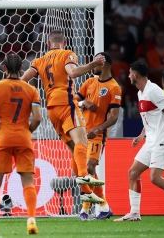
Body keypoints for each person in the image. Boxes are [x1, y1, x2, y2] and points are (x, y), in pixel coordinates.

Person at [21, 29, 106, 204]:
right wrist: (93, 64)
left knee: (76, 152)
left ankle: (98, 200)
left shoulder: (39, 61)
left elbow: (23, 81)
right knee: (82, 144)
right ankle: (84, 180)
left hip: (51, 109)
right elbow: (73, 73)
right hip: (67, 104)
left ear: (48, 43)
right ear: (64, 42)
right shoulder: (67, 54)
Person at [114, 61, 164, 222]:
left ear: (135, 74)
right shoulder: (140, 93)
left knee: (155, 177)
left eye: (130, 73)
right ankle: (135, 212)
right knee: (133, 172)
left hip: (162, 140)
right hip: (150, 140)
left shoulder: (154, 91)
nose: (129, 75)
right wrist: (141, 135)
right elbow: (150, 119)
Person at [0, 53, 42, 235]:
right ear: (22, 69)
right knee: (28, 182)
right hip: (24, 137)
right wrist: (27, 131)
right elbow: (38, 118)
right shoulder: (31, 89)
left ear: (4, 68)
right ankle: (31, 220)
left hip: (3, 137)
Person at [76, 52, 121, 221]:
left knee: (89, 168)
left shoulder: (114, 87)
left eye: (94, 62)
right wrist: (83, 103)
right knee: (88, 170)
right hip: (82, 133)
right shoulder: (89, 82)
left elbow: (114, 116)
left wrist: (98, 129)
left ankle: (87, 209)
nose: (91, 65)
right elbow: (73, 100)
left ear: (103, 64)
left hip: (97, 135)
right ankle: (102, 208)